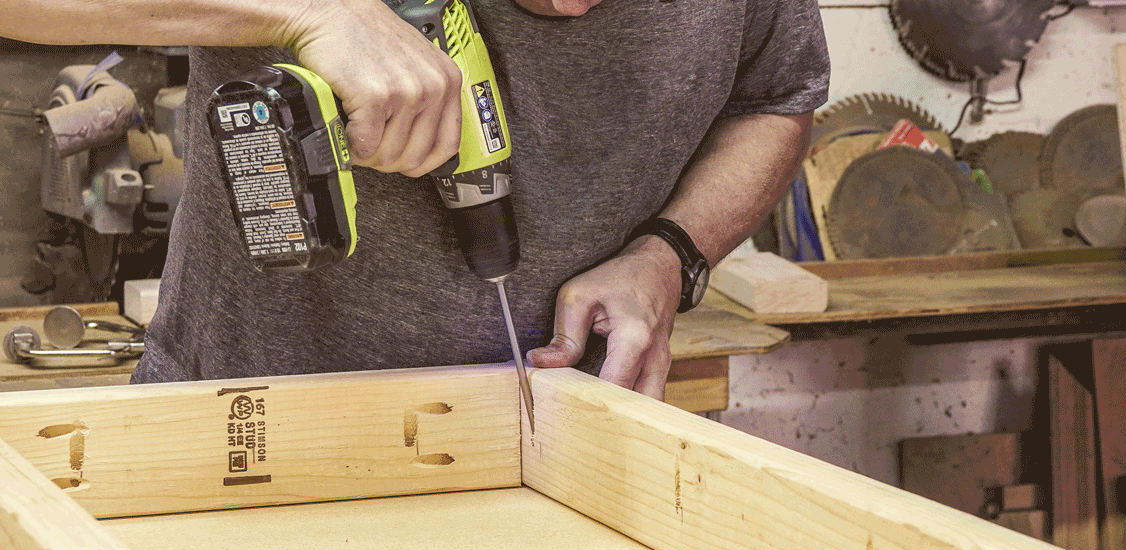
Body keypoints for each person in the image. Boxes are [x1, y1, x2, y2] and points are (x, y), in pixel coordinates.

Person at [7, 0, 829, 400]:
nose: (575, 8)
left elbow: (778, 95)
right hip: (249, 416)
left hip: (567, 427)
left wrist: (668, 254)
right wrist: (311, 8)